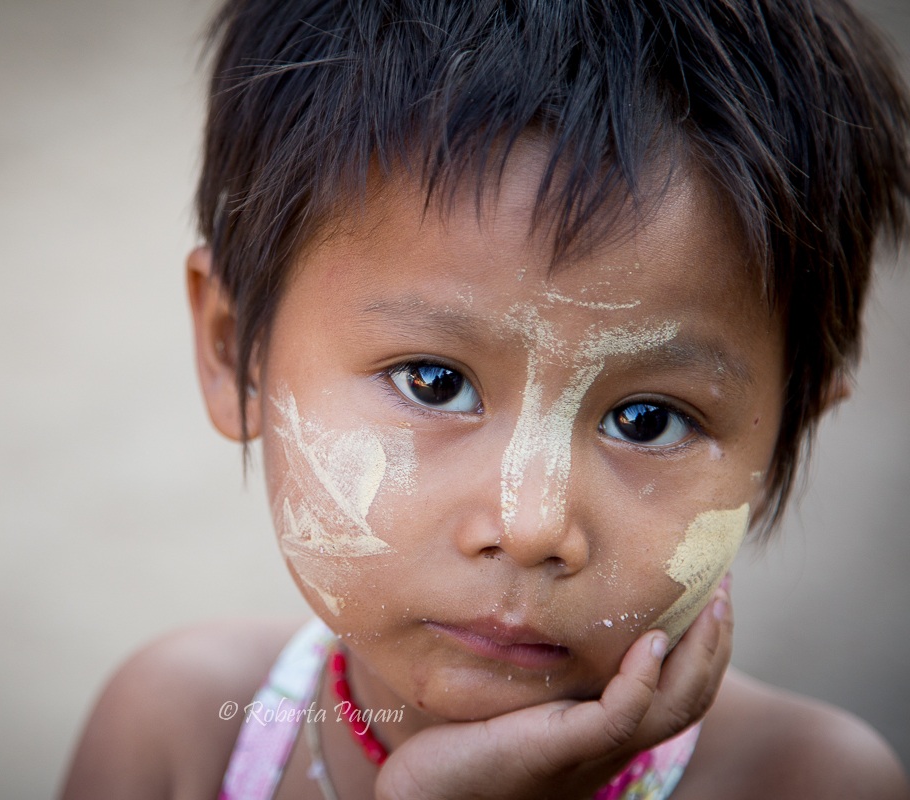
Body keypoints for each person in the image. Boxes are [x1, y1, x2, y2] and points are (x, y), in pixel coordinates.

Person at [61, 1, 910, 797]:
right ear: (232, 351)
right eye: (435, 382)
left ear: (786, 436)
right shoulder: (179, 736)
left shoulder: (812, 783)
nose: (531, 525)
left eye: (647, 420)